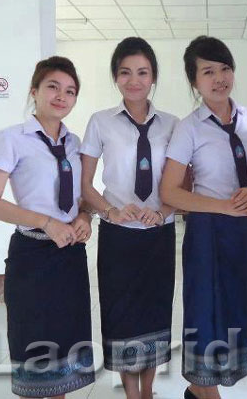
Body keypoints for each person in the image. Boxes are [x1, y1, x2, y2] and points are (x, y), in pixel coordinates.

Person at [160, 35, 247, 399]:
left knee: (238, 306)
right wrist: (222, 205)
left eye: (225, 68)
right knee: (205, 311)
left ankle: (202, 390)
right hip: (207, 230)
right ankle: (204, 390)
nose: (219, 77)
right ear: (195, 82)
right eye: (208, 71)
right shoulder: (189, 127)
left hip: (241, 231)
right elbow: (170, 191)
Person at [0, 56, 94, 398]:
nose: (61, 96)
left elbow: (81, 197)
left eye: (70, 91)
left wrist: (84, 217)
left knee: (66, 350)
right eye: (53, 87)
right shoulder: (12, 138)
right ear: (35, 91)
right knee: (35, 350)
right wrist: (46, 222)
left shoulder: (75, 143)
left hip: (70, 256)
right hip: (31, 255)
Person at [80, 37, 178, 399]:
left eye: (142, 72)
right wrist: (111, 211)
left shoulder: (172, 124)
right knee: (120, 312)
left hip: (159, 234)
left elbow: (183, 181)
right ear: (116, 77)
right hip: (118, 234)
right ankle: (131, 392)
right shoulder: (100, 122)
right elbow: (85, 183)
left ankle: (148, 390)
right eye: (125, 73)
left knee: (154, 311)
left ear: (153, 77)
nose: (134, 80)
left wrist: (163, 211)